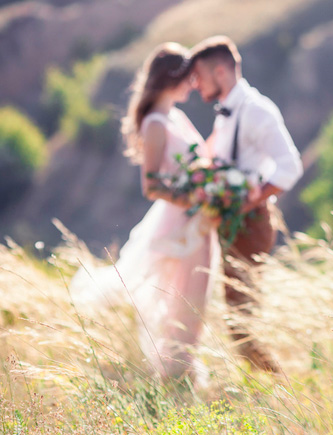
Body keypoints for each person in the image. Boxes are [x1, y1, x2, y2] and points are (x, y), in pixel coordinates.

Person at [71, 42, 219, 381]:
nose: (194, 85)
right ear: (171, 79)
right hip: (178, 221)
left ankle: (181, 372)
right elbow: (151, 185)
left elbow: (202, 161)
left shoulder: (177, 117)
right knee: (177, 296)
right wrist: (193, 199)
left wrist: (216, 182)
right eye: (188, 78)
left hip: (200, 218)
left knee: (197, 294)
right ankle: (173, 374)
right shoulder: (155, 124)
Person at [189, 35, 303, 373]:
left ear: (221, 72)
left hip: (250, 225)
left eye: (199, 76)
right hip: (228, 225)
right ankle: (268, 387)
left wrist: (251, 199)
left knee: (241, 323)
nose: (195, 85)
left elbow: (290, 165)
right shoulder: (226, 113)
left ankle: (280, 389)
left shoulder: (257, 110)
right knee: (237, 318)